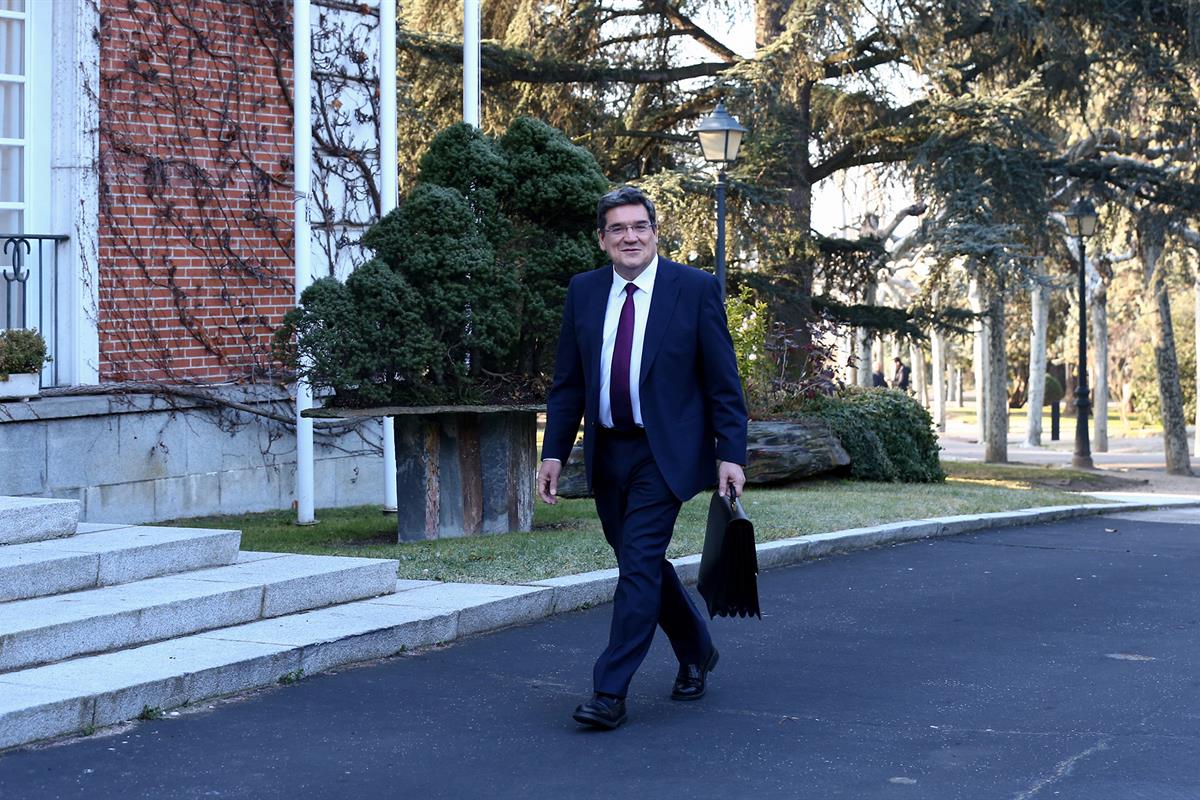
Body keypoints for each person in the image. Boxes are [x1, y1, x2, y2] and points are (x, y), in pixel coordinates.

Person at [536, 186, 748, 731]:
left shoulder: (694, 289)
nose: (630, 236)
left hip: (666, 453)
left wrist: (731, 454)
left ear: (655, 231)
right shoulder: (584, 292)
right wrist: (554, 453)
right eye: (618, 229)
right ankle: (697, 649)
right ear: (603, 239)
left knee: (636, 566)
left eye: (640, 226)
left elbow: (724, 383)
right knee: (642, 563)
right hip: (608, 449)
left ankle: (609, 691)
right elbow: (568, 383)